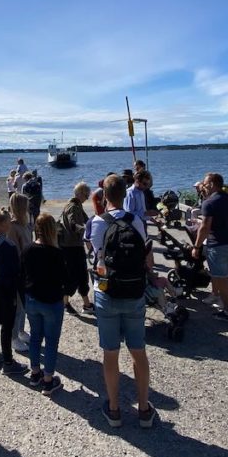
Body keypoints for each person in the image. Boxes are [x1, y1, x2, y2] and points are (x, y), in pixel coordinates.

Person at [89, 174, 155, 429]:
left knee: (111, 353)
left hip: (106, 292)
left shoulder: (96, 222)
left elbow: (96, 255)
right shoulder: (136, 220)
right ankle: (144, 408)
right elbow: (146, 254)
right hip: (134, 291)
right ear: (123, 195)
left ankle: (115, 410)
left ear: (105, 196)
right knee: (138, 352)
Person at [192, 172, 228, 317]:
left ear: (211, 184)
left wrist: (196, 246)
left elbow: (205, 227)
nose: (204, 187)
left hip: (216, 245)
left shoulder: (209, 203)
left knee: (221, 279)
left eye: (205, 184)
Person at [21, 213, 67, 395]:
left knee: (35, 337)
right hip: (51, 301)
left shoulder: (27, 249)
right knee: (51, 341)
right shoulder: (57, 253)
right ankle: (48, 380)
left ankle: (34, 373)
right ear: (51, 230)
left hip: (32, 299)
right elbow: (66, 278)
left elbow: (21, 274)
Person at [0, 211, 27, 375]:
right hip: (7, 286)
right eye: (8, 222)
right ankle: (8, 361)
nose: (10, 224)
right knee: (8, 324)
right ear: (3, 225)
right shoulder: (8, 246)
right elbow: (16, 270)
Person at [60, 182, 93, 314]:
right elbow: (73, 224)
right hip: (69, 247)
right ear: (79, 193)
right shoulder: (72, 207)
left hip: (76, 246)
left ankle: (86, 305)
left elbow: (88, 221)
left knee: (82, 275)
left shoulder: (78, 206)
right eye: (86, 194)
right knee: (72, 276)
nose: (87, 197)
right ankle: (65, 303)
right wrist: (86, 231)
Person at [7, 192, 33, 352]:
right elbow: (14, 251)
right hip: (17, 271)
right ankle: (13, 337)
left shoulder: (25, 224)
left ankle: (21, 331)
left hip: (26, 270)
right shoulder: (13, 226)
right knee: (16, 306)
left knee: (24, 304)